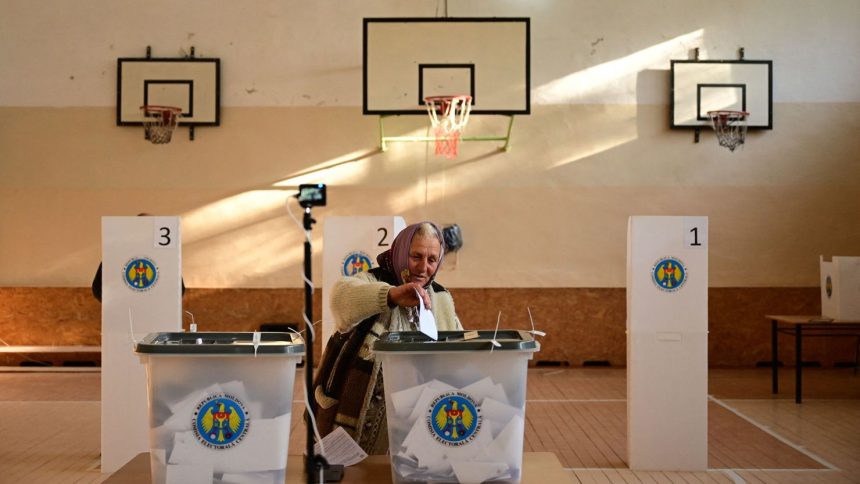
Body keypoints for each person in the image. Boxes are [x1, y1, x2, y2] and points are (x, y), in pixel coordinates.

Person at [311, 221, 462, 455]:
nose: (423, 267)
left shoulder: (440, 298)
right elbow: (341, 298)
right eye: (416, 256)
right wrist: (391, 295)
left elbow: (460, 349)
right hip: (359, 423)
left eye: (432, 260)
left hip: (420, 425)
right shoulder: (370, 281)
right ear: (401, 252)